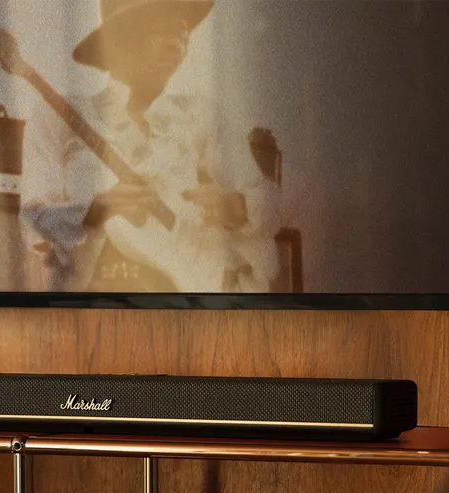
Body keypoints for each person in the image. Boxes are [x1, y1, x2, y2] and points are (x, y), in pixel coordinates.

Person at [19, 0, 282, 294]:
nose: (175, 45)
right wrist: (91, 213)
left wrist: (235, 207)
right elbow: (32, 224)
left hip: (188, 302)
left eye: (182, 33)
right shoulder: (59, 116)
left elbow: (268, 200)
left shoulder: (201, 117)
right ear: (119, 39)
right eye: (159, 30)